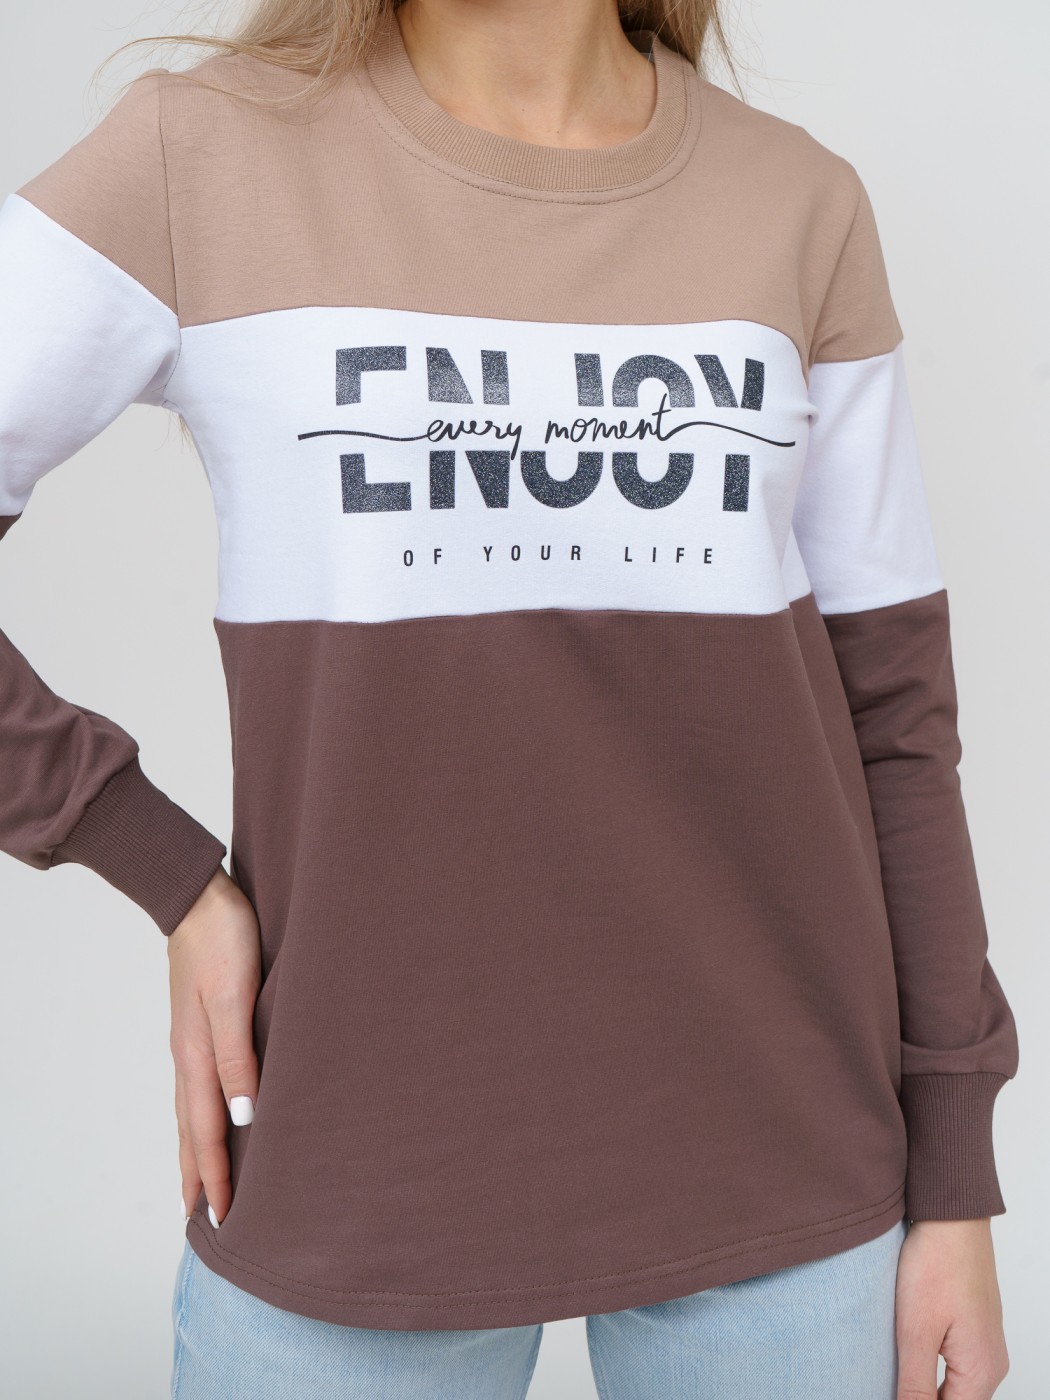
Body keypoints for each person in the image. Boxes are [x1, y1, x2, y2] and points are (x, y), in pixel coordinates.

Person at [0, 0, 1020, 1396]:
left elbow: (895, 721)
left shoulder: (797, 200)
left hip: (788, 1169)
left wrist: (953, 1178)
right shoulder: (202, 154)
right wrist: (160, 866)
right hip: (356, 1165)